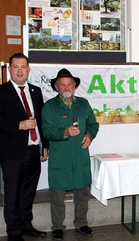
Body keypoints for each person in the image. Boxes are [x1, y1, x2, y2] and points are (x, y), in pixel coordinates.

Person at [41, 69, 99, 241]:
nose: (66, 87)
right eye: (62, 84)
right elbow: (47, 131)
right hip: (61, 156)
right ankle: (58, 227)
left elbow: (93, 124)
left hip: (80, 155)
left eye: (69, 84)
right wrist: (65, 131)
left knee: (82, 193)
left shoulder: (83, 104)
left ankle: (81, 223)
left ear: (74, 86)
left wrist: (89, 135)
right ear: (57, 87)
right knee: (57, 196)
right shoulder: (49, 107)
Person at [0, 53, 49, 241]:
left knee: (28, 192)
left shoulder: (36, 91)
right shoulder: (1, 92)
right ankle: (13, 232)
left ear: (28, 69)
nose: (20, 71)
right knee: (11, 194)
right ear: (9, 69)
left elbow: (41, 122)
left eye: (23, 67)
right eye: (16, 67)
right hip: (12, 153)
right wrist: (18, 125)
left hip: (33, 150)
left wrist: (44, 146)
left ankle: (26, 225)